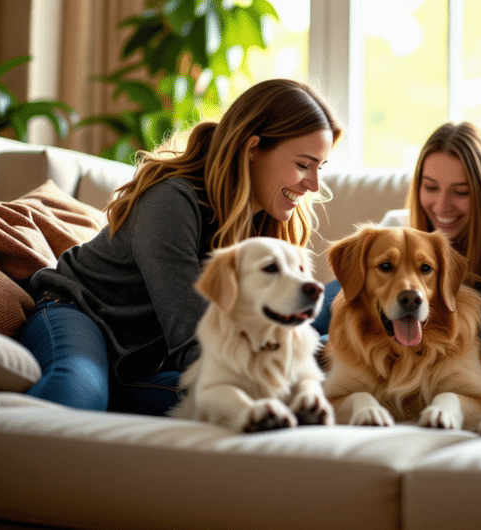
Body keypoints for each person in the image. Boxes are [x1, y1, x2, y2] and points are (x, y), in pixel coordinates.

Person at [17, 79, 343, 416]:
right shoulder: (171, 200)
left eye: (320, 167)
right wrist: (286, 374)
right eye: (304, 165)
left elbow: (276, 327)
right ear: (252, 148)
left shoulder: (270, 221)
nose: (313, 184)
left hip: (154, 360)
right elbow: (193, 337)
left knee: (353, 294)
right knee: (78, 393)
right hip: (81, 315)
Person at [312, 121, 481, 364]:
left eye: (461, 192)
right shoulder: (396, 228)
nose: (442, 206)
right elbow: (325, 315)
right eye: (431, 187)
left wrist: (450, 348)